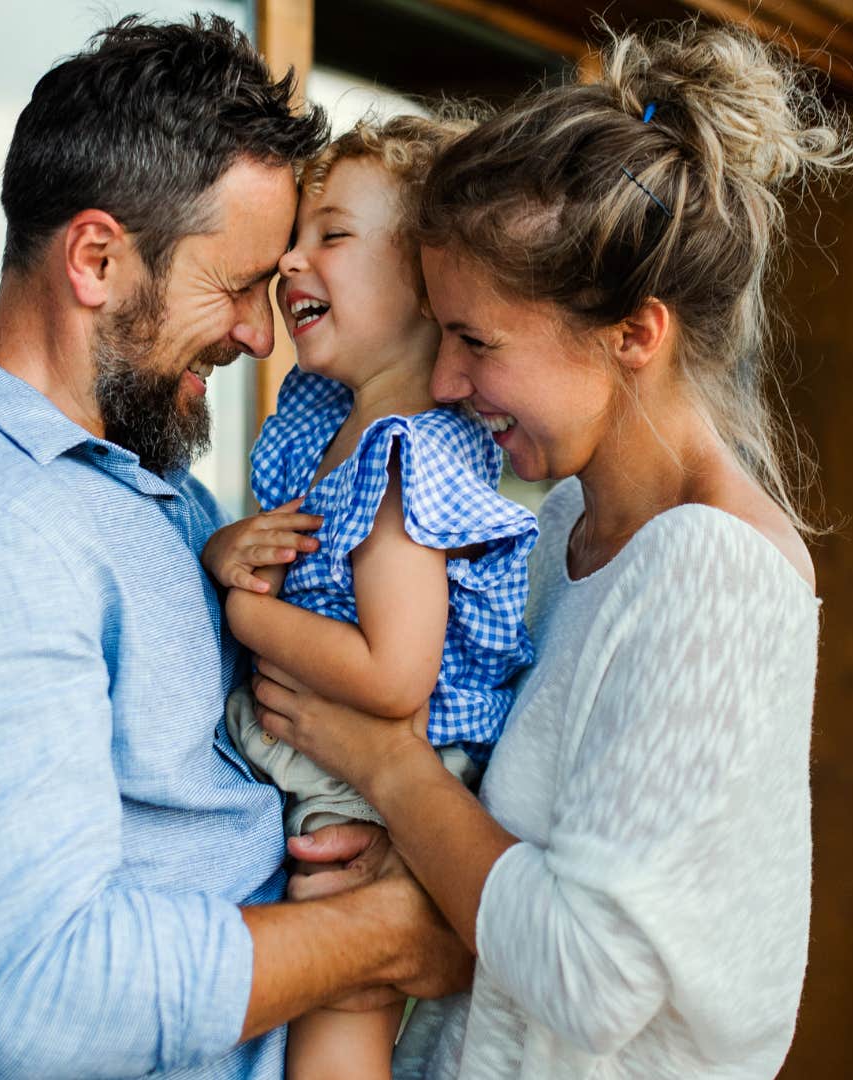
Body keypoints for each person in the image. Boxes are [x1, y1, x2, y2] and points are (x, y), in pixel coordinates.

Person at [0, 17, 470, 1079]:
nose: (261, 334)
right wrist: (392, 932)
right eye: (237, 284)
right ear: (97, 259)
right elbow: (38, 995)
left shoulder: (152, 490)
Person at [249, 22, 853, 1077]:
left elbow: (592, 978)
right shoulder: (550, 539)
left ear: (635, 333)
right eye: (440, 334)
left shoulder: (712, 574)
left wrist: (389, 769)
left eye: (477, 341)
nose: (445, 384)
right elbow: (500, 859)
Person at [202, 116, 538, 1080]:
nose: (290, 261)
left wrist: (244, 614)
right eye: (294, 238)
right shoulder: (329, 427)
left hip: (376, 774)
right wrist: (230, 548)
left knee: (342, 989)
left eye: (331, 236)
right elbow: (288, 546)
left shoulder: (405, 457)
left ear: (429, 284)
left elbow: (396, 675)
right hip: (325, 744)